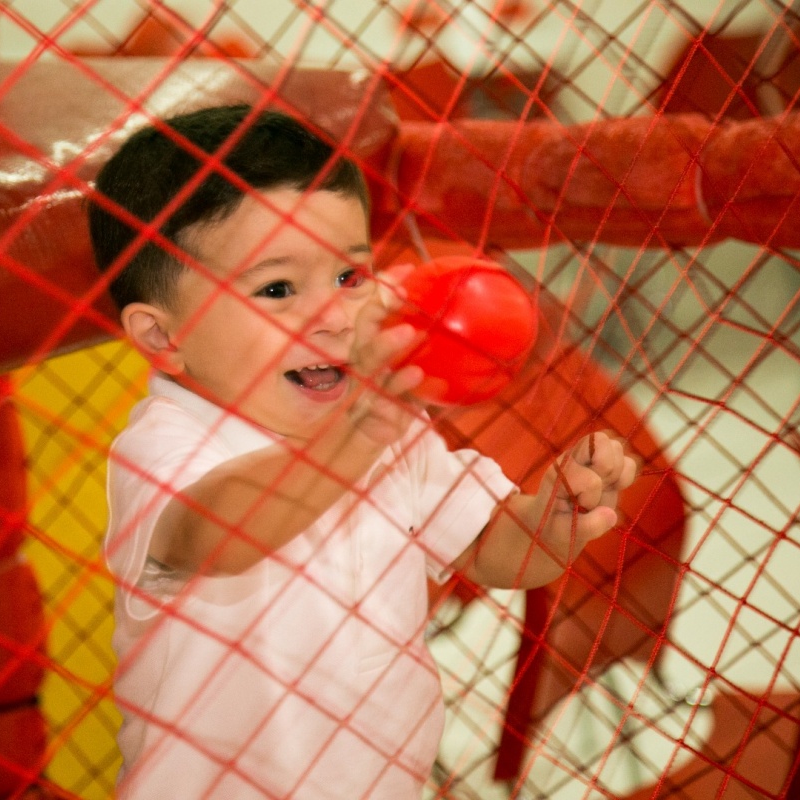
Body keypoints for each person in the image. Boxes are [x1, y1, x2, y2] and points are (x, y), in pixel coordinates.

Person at [88, 103, 638, 799]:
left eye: (350, 276)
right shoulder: (164, 444)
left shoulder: (390, 430)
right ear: (166, 338)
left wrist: (552, 519)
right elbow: (217, 533)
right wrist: (357, 431)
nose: (335, 316)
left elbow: (494, 550)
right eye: (278, 289)